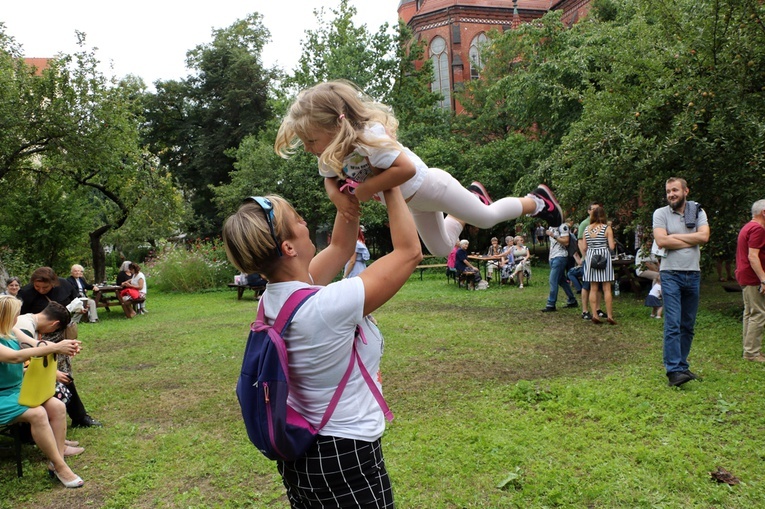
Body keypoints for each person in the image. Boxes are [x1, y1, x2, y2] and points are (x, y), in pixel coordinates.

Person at [222, 183, 422, 507]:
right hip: (346, 458)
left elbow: (342, 246)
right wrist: (390, 183)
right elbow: (409, 252)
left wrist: (350, 193)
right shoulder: (326, 306)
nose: (305, 223)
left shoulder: (276, 300)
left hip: (301, 451)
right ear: (288, 247)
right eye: (298, 218)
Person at [273, 80, 563, 257]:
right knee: (441, 249)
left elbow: (406, 170)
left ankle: (536, 201)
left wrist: (366, 189)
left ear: (336, 125)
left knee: (487, 219)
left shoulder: (370, 137)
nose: (310, 148)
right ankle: (471, 200)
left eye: (311, 140)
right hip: (416, 204)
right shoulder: (328, 152)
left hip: (431, 186)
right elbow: (329, 180)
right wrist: (336, 196)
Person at [0, 295, 84, 488]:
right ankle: (61, 467)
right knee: (37, 413)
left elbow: (35, 345)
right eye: (15, 314)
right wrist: (56, 347)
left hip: (16, 389)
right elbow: (14, 357)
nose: (17, 318)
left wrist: (63, 347)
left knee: (57, 406)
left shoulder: (11, 330)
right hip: (2, 395)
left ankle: (57, 458)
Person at [19, 267, 102, 428]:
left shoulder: (64, 285)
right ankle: (34, 424)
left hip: (61, 334)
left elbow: (76, 298)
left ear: (54, 283)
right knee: (45, 375)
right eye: (37, 287)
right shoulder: (26, 293)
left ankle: (79, 417)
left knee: (64, 375)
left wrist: (80, 307)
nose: (41, 291)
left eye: (45, 287)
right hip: (37, 338)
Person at [653, 177, 710, 387]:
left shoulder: (698, 212)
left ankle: (682, 365)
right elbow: (661, 240)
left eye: (675, 190)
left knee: (688, 325)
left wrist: (674, 237)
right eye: (668, 191)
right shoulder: (660, 213)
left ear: (686, 191)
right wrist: (691, 237)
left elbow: (704, 238)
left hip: (693, 273)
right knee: (673, 324)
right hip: (670, 275)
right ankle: (674, 371)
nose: (671, 195)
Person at [13, 301, 85, 457]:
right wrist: (53, 374)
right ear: (55, 324)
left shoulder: (25, 322)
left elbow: (37, 346)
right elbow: (23, 359)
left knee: (60, 392)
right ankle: (54, 442)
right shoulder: (24, 326)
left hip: (19, 379)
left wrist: (63, 346)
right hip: (14, 384)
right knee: (60, 392)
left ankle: (58, 440)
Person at [734, 199, 765, 362]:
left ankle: (749, 348)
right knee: (758, 313)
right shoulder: (758, 229)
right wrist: (763, 279)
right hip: (753, 277)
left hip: (744, 275)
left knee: (750, 312)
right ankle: (752, 353)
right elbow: (753, 257)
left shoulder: (748, 226)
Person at [582, 206, 617, 325]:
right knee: (606, 288)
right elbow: (611, 247)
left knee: (593, 288)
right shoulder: (607, 228)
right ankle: (610, 316)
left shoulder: (586, 229)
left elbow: (585, 247)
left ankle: (595, 314)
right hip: (604, 257)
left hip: (591, 257)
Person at [542, 223, 578, 312]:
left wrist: (553, 235)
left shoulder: (563, 227)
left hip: (560, 257)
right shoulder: (551, 226)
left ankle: (551, 304)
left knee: (553, 280)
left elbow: (566, 241)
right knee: (562, 281)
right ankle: (572, 300)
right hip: (553, 257)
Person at [578, 202, 604, 320]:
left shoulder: (601, 223)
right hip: (588, 259)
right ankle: (585, 310)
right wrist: (586, 257)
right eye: (593, 209)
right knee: (587, 285)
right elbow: (580, 242)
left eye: (597, 209)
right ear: (588, 211)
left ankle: (597, 309)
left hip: (599, 259)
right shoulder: (584, 224)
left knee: (598, 285)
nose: (595, 211)